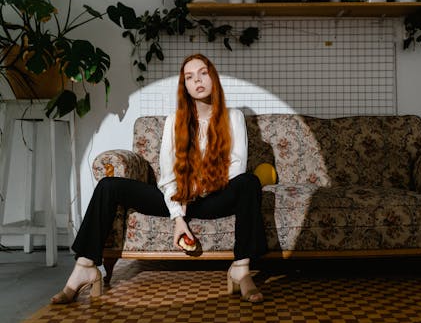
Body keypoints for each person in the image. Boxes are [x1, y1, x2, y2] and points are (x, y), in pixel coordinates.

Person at [51, 53, 268, 304]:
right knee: (108, 186)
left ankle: (240, 268)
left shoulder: (234, 117)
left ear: (214, 78)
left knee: (249, 182)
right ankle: (84, 267)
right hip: (178, 198)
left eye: (203, 73)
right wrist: (177, 216)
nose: (197, 80)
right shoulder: (174, 121)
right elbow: (167, 176)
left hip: (215, 198)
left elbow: (236, 167)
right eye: (189, 77)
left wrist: (198, 188)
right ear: (184, 86)